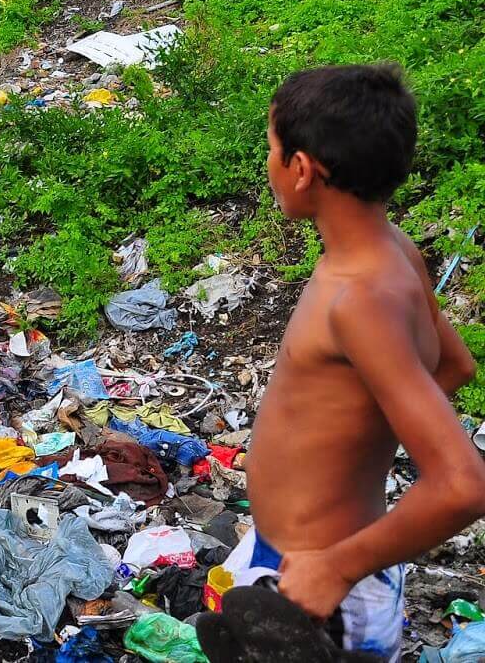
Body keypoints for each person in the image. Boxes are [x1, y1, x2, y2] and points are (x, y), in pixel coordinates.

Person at [196, 65, 485, 662]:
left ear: (302, 170)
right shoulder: (393, 252)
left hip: (326, 590)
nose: (270, 164)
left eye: (273, 151)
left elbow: (464, 485)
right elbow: (454, 365)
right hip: (295, 556)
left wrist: (336, 565)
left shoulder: (359, 300)